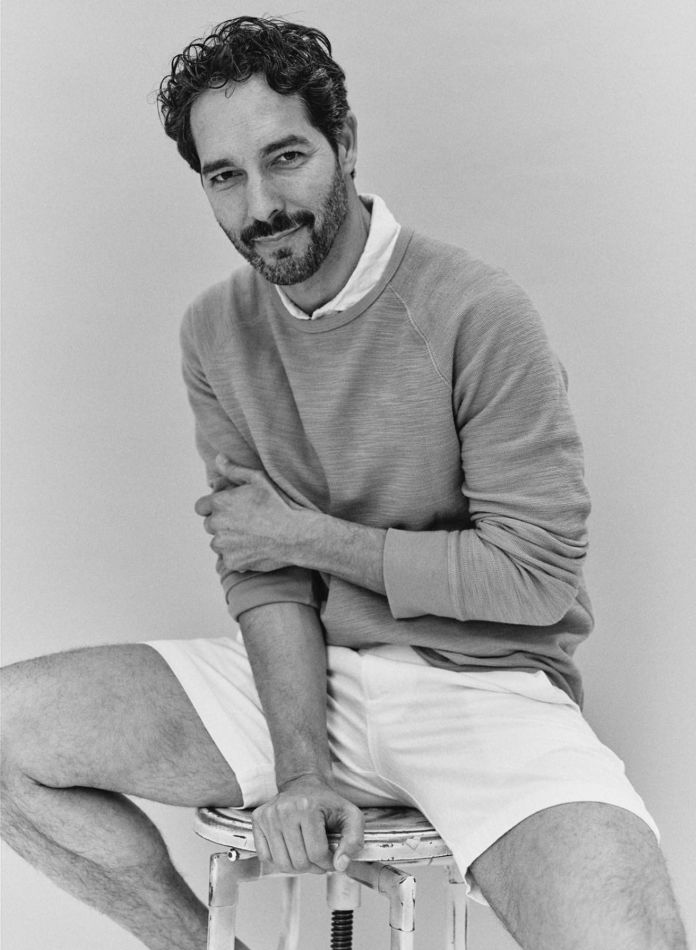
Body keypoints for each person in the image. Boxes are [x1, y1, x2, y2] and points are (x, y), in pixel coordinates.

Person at [0, 15, 688, 950]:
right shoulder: (214, 332)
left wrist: (307, 536)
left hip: (485, 686)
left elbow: (534, 580)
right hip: (301, 680)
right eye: (224, 176)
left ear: (346, 144)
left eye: (285, 158)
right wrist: (300, 769)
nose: (261, 206)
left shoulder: (478, 312)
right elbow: (266, 575)